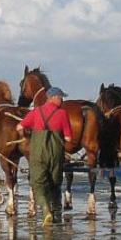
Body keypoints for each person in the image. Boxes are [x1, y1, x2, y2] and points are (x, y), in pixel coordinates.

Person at [16, 87, 73, 226]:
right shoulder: (62, 113)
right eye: (60, 97)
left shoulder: (36, 112)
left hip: (38, 152)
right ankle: (54, 211)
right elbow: (69, 138)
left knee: (37, 183)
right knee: (55, 183)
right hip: (56, 153)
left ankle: (45, 209)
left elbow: (19, 127)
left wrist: (26, 137)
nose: (62, 100)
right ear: (52, 97)